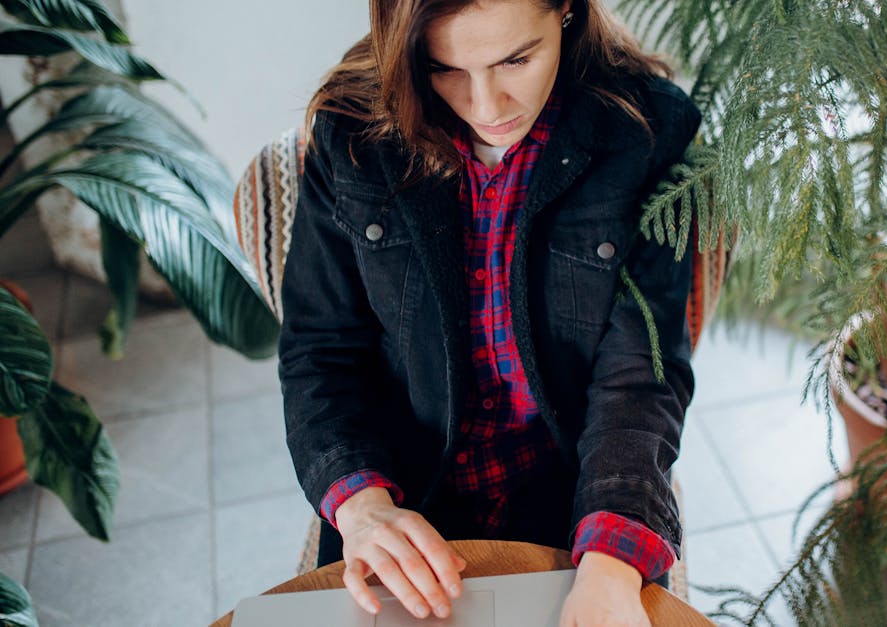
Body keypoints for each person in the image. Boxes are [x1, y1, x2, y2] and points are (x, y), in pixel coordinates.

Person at [277, 0, 700, 623]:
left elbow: (642, 373)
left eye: (516, 59)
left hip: (576, 491)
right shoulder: (352, 130)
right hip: (405, 491)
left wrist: (610, 562)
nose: (486, 107)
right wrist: (362, 503)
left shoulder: (649, 132)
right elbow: (319, 349)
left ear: (565, 11)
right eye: (443, 68)